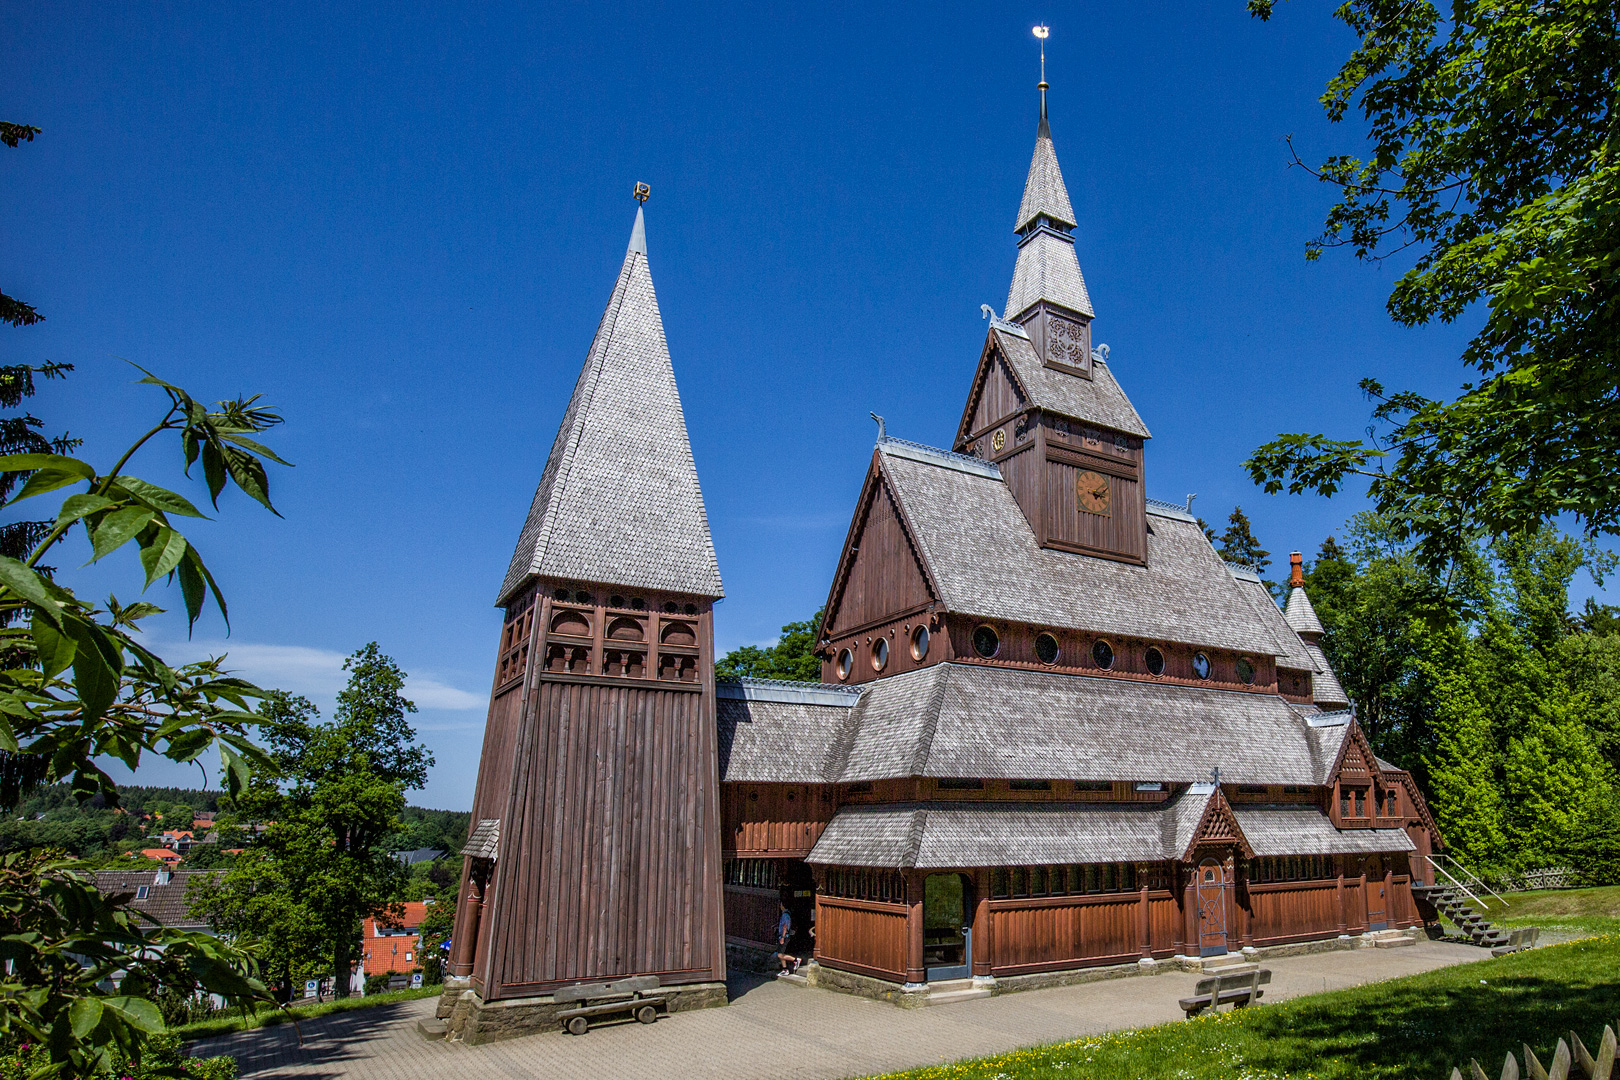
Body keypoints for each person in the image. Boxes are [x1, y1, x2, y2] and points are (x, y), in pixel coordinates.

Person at [776, 903, 798, 975]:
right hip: (783, 936)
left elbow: (785, 927)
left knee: (779, 954)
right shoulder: (786, 914)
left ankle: (795, 960)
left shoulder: (785, 915)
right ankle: (785, 969)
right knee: (782, 953)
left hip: (784, 936)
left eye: (781, 905)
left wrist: (782, 937)